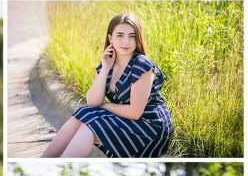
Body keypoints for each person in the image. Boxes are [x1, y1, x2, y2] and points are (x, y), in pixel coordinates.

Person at [42, 14, 173, 158]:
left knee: (91, 126)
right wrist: (105, 68)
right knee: (84, 113)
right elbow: (92, 102)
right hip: (126, 120)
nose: (126, 41)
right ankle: (45, 160)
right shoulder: (108, 62)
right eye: (120, 35)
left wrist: (105, 106)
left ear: (138, 39)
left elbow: (135, 112)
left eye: (131, 36)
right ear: (110, 38)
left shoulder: (142, 66)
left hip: (149, 128)